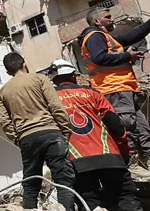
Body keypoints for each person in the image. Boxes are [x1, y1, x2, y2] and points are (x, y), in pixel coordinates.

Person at [79, 5, 150, 178]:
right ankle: (132, 164)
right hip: (113, 89)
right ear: (97, 21)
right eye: (108, 17)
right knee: (126, 127)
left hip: (123, 89)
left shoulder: (105, 37)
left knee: (142, 127)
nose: (112, 19)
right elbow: (100, 58)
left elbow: (129, 37)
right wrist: (128, 56)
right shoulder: (94, 36)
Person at [48, 59, 142, 211]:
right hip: (110, 157)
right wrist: (123, 152)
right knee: (126, 198)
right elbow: (115, 125)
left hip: (77, 163)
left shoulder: (49, 102)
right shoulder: (92, 94)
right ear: (74, 75)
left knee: (90, 203)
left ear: (53, 80)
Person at [0, 52, 77, 210]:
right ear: (24, 64)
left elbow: (5, 122)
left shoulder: (3, 92)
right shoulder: (40, 79)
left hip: (26, 138)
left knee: (31, 185)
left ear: (7, 72)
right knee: (63, 181)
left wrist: (17, 139)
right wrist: (65, 131)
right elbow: (56, 107)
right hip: (51, 133)